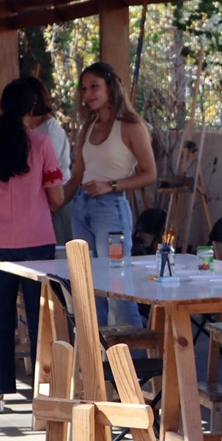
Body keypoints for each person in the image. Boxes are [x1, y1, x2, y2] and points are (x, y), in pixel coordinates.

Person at [0, 79, 64, 414]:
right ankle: (43, 390)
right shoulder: (41, 144)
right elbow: (57, 197)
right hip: (37, 242)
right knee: (40, 319)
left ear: (2, 105)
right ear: (31, 109)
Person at [63, 61, 156, 327]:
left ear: (110, 87)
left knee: (117, 287)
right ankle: (98, 361)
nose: (88, 93)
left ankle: (134, 364)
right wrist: (54, 202)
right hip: (81, 206)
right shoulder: (87, 128)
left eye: (94, 86)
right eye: (84, 89)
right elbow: (78, 173)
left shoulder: (130, 125)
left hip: (110, 208)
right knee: (87, 287)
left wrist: (111, 185)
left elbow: (149, 173)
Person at [23, 76, 72, 245]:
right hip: (43, 208)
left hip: (56, 206)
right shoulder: (35, 131)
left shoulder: (48, 134)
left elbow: (46, 177)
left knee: (57, 262)